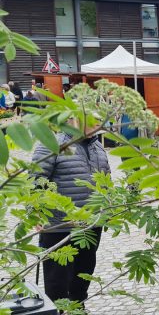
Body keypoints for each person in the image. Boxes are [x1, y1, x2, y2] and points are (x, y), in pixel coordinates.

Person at [33, 120, 110, 307]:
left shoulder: (97, 146)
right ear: (72, 118)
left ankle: (78, 309)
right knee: (57, 283)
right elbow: (35, 181)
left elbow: (106, 182)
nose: (98, 123)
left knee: (82, 278)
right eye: (92, 119)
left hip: (90, 226)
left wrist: (107, 209)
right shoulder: (51, 144)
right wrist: (36, 213)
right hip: (58, 226)